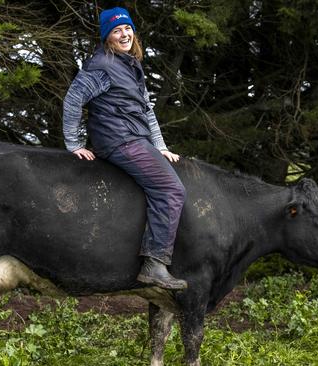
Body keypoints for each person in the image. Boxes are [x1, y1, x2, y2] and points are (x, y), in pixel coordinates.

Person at [62, 7, 187, 290]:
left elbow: (146, 110)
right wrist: (74, 144)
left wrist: (160, 147)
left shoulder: (130, 64)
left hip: (135, 138)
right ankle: (155, 264)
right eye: (117, 31)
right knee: (171, 189)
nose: (124, 34)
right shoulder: (101, 65)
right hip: (119, 140)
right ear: (108, 37)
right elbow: (72, 101)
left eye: (127, 29)